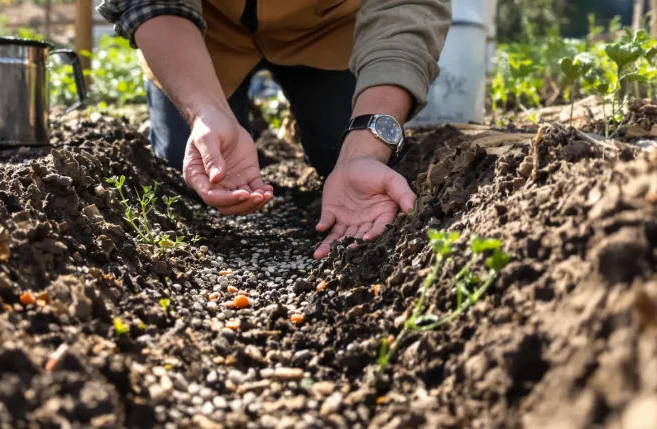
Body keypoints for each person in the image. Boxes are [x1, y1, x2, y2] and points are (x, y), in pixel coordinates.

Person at [97, 0, 452, 259]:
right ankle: (226, 105)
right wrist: (204, 111)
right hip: (204, 28)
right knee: (188, 162)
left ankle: (305, 118)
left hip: (329, 26)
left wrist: (365, 143)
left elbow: (407, 5)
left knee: (338, 149)